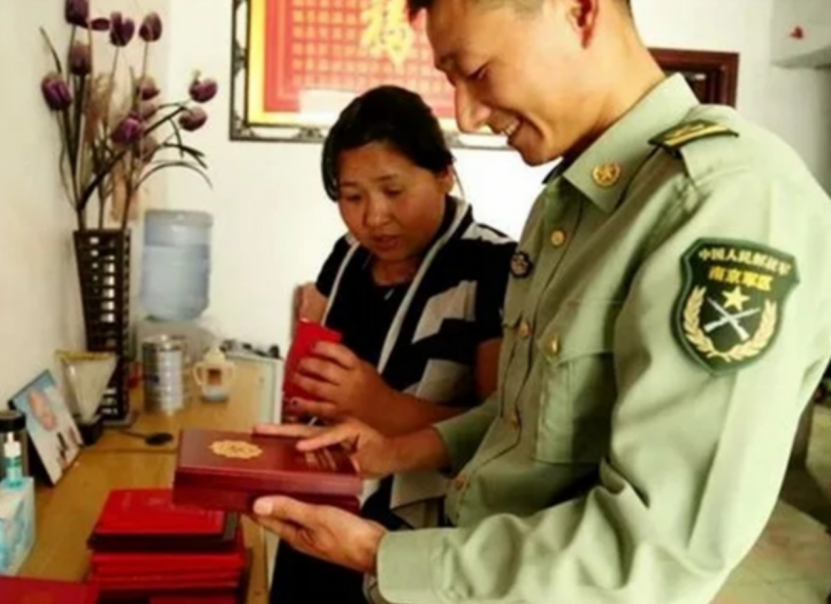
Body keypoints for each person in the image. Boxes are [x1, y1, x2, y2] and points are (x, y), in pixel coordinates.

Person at [253, 1, 831, 602]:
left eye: (475, 72)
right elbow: (528, 417)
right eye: (452, 81)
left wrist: (378, 555)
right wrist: (393, 450)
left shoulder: (723, 201)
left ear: (579, 12)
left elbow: (658, 554)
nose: (468, 116)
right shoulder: (569, 204)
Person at [270, 84, 516, 603]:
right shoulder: (346, 255)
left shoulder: (494, 267)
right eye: (352, 197)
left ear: (444, 172)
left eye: (393, 190)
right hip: (320, 513)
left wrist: (378, 405)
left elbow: (502, 430)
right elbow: (312, 367)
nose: (373, 217)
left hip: (418, 539)